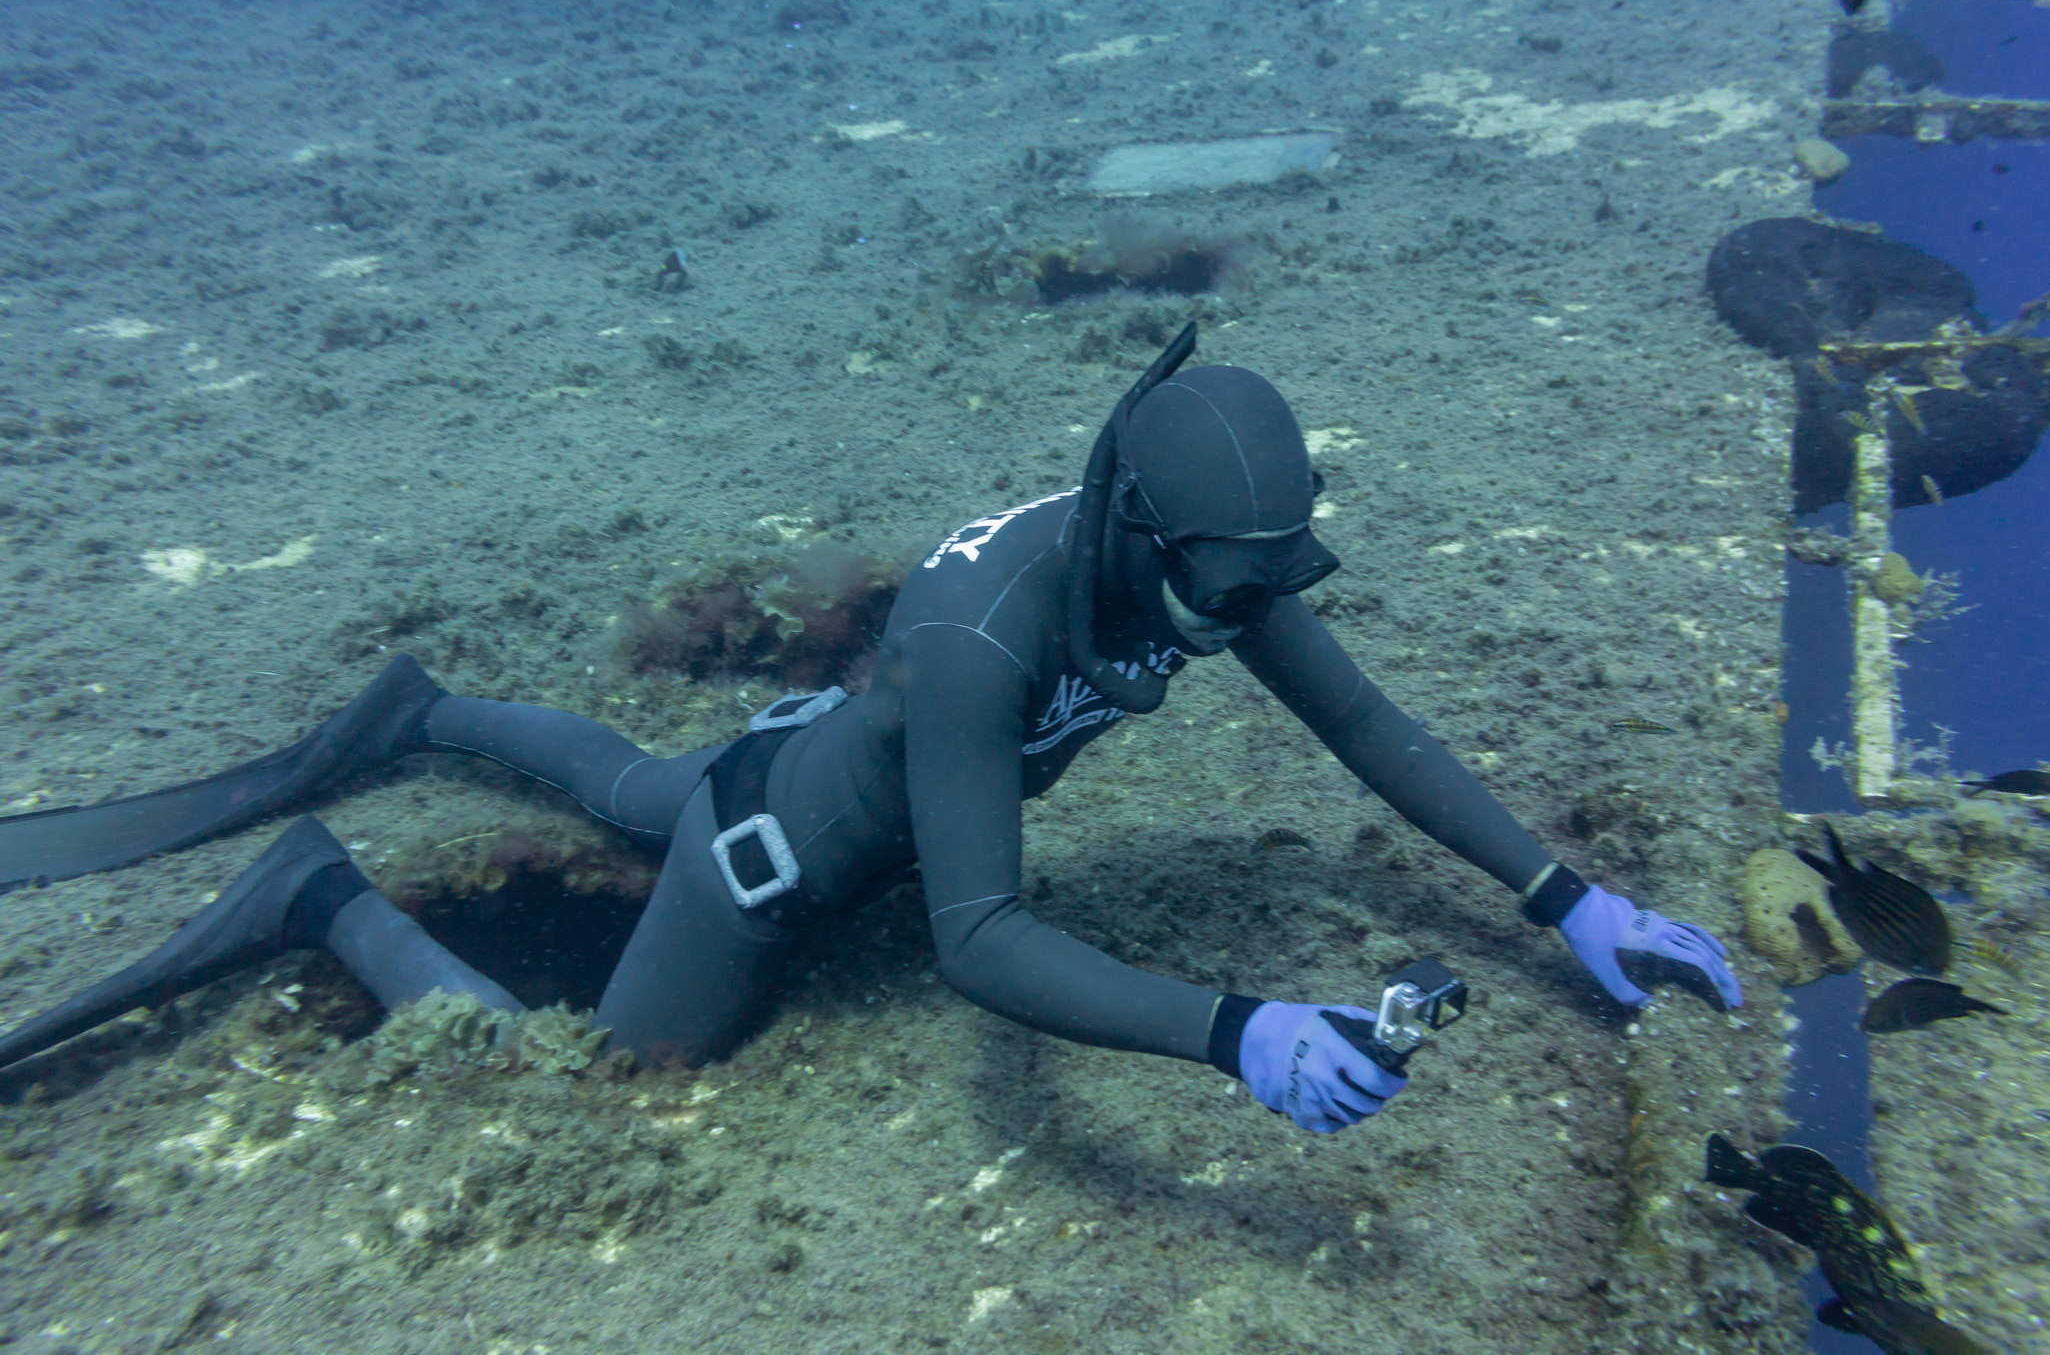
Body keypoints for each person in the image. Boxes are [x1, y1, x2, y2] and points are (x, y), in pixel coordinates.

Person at [0, 325, 1741, 1132]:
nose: (1254, 613)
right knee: (593, 1082)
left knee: (641, 779)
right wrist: (1234, 1033)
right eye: (1231, 582)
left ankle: (422, 710)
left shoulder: (1196, 563)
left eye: (1274, 576)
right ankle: (316, 893)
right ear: (1142, 529)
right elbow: (979, 938)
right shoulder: (988, 631)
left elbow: (1368, 725)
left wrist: (1563, 896)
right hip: (770, 864)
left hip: (813, 756)